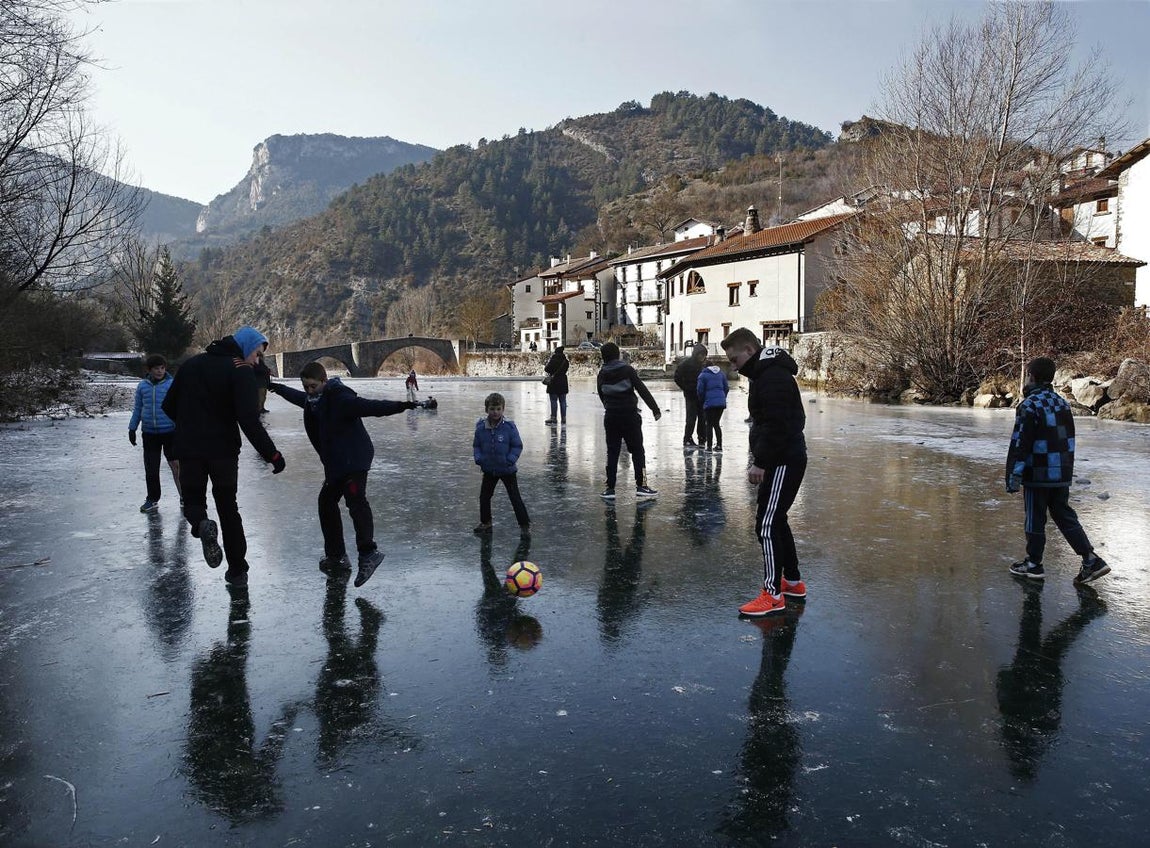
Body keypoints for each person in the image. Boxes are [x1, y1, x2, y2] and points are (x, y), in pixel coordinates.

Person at [268, 361, 418, 588]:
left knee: (356, 502)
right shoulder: (313, 402)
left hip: (355, 459)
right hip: (337, 463)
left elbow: (370, 407)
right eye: (306, 386)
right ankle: (336, 556)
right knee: (326, 501)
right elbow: (297, 397)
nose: (309, 391)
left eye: (313, 386)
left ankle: (369, 554)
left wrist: (402, 406)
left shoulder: (339, 399)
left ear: (324, 382)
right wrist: (276, 387)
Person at [162, 326, 286, 588]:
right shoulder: (239, 370)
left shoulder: (191, 365)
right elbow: (249, 421)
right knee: (228, 508)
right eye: (257, 354)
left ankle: (202, 525)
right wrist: (272, 454)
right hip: (223, 453)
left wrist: (189, 426)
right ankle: (238, 571)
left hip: (189, 449)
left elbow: (168, 406)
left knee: (193, 500)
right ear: (245, 346)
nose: (257, 361)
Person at [721, 328, 807, 617]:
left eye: (734, 359)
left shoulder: (772, 377)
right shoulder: (764, 374)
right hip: (782, 458)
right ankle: (792, 582)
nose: (733, 366)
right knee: (777, 520)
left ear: (749, 349)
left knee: (767, 525)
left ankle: (773, 594)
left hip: (782, 460)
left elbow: (777, 423)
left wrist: (761, 462)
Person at [1005, 356, 1110, 584]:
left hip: (1037, 474)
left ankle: (1033, 564)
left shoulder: (1029, 406)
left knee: (1034, 519)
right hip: (1061, 473)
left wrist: (1014, 475)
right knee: (1064, 515)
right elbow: (1065, 439)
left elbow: (1020, 444)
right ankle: (1091, 559)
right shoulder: (1062, 403)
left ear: (1031, 376)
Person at [596, 342, 661, 500]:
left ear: (603, 357)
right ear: (617, 354)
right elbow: (641, 389)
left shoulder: (602, 373)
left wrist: (609, 405)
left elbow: (601, 393)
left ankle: (610, 488)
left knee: (612, 452)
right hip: (629, 415)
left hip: (611, 416)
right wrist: (655, 409)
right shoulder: (627, 370)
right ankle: (642, 485)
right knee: (638, 451)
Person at [129, 353, 182, 513]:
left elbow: (179, 407)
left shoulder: (172, 384)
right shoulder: (143, 386)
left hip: (170, 432)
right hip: (150, 433)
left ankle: (185, 496)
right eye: (156, 369)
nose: (159, 371)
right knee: (151, 468)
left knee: (176, 466)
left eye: (162, 368)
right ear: (149, 370)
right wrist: (132, 428)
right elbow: (138, 408)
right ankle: (152, 498)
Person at [473, 392, 531, 535]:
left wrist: (510, 460)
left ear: (503, 409)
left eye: (498, 409)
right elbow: (477, 446)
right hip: (489, 469)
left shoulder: (509, 428)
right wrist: (479, 458)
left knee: (515, 497)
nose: (495, 412)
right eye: (492, 409)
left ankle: (524, 525)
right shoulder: (481, 427)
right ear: (487, 409)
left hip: (507, 470)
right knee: (484, 497)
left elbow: (517, 446)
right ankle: (486, 522)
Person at [674, 343, 709, 450]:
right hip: (690, 395)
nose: (702, 357)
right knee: (691, 418)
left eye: (704, 355)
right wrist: (685, 388)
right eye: (701, 355)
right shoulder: (686, 364)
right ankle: (687, 438)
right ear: (696, 354)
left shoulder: (705, 365)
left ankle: (702, 438)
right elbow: (677, 376)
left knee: (702, 418)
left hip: (702, 395)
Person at [697, 360, 729, 453]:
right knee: (716, 424)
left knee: (709, 424)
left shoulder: (702, 375)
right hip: (721, 403)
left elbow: (700, 390)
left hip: (709, 403)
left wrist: (703, 400)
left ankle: (709, 447)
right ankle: (719, 446)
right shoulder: (721, 374)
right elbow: (726, 388)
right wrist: (722, 398)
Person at [543, 345, 570, 425]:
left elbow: (546, 369)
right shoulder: (565, 361)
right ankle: (564, 418)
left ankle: (553, 418)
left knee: (553, 400)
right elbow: (565, 369)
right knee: (563, 401)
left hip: (554, 382)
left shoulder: (553, 360)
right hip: (563, 382)